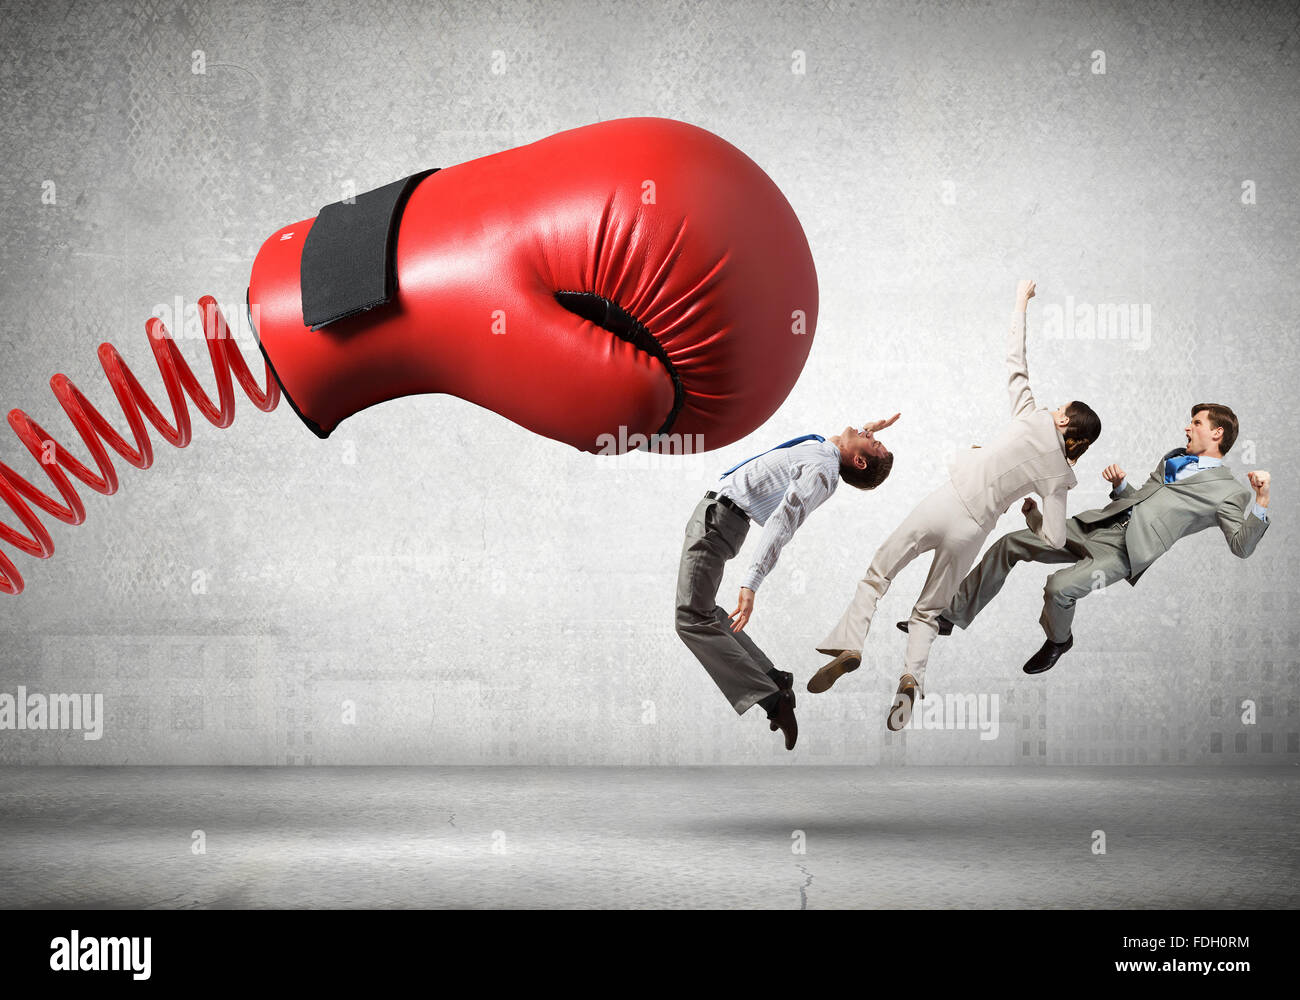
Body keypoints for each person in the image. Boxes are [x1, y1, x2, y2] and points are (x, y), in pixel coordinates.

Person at [808, 280, 1100, 732]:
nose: (1054, 407)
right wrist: (1032, 515)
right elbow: (1055, 539)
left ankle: (851, 644)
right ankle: (910, 679)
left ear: (1062, 419)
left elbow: (1015, 361)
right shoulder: (1060, 479)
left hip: (945, 501)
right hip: (973, 530)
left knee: (879, 573)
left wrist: (1020, 300)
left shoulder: (1032, 416)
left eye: (1060, 407)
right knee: (928, 611)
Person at [931, 403, 1271, 674]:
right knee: (1010, 544)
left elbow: (1241, 546)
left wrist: (1262, 501)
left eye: (1196, 423)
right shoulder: (1173, 457)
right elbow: (1141, 499)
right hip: (1098, 526)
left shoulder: (1230, 493)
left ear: (1217, 432)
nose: (1187, 427)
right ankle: (951, 615)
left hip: (1125, 551)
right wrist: (1121, 486)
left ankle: (1058, 640)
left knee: (1059, 587)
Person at [675, 419, 897, 750]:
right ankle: (773, 678)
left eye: (874, 442)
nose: (871, 435)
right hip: (718, 518)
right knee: (704, 612)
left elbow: (784, 522)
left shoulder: (822, 471)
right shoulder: (826, 455)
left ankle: (771, 698)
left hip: (717, 521)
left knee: (690, 618)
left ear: (860, 460)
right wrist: (865, 432)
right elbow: (842, 441)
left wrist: (751, 582)